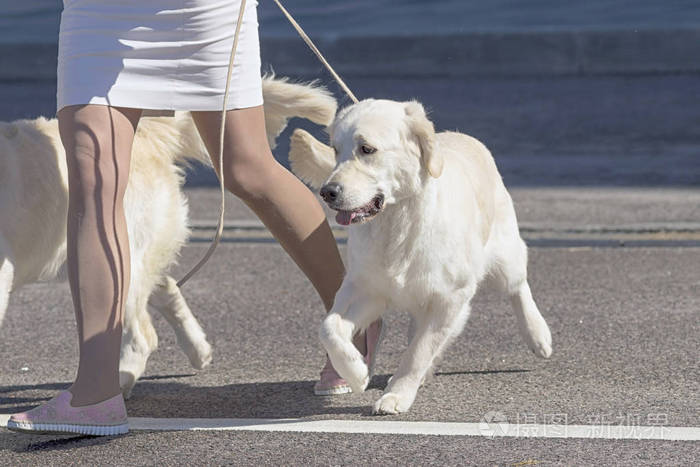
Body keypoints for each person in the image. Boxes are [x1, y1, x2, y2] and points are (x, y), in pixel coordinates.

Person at [7, 0, 381, 436]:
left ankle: (355, 319)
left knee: (246, 169)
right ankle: (95, 392)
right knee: (94, 181)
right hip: (100, 14)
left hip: (200, 10)